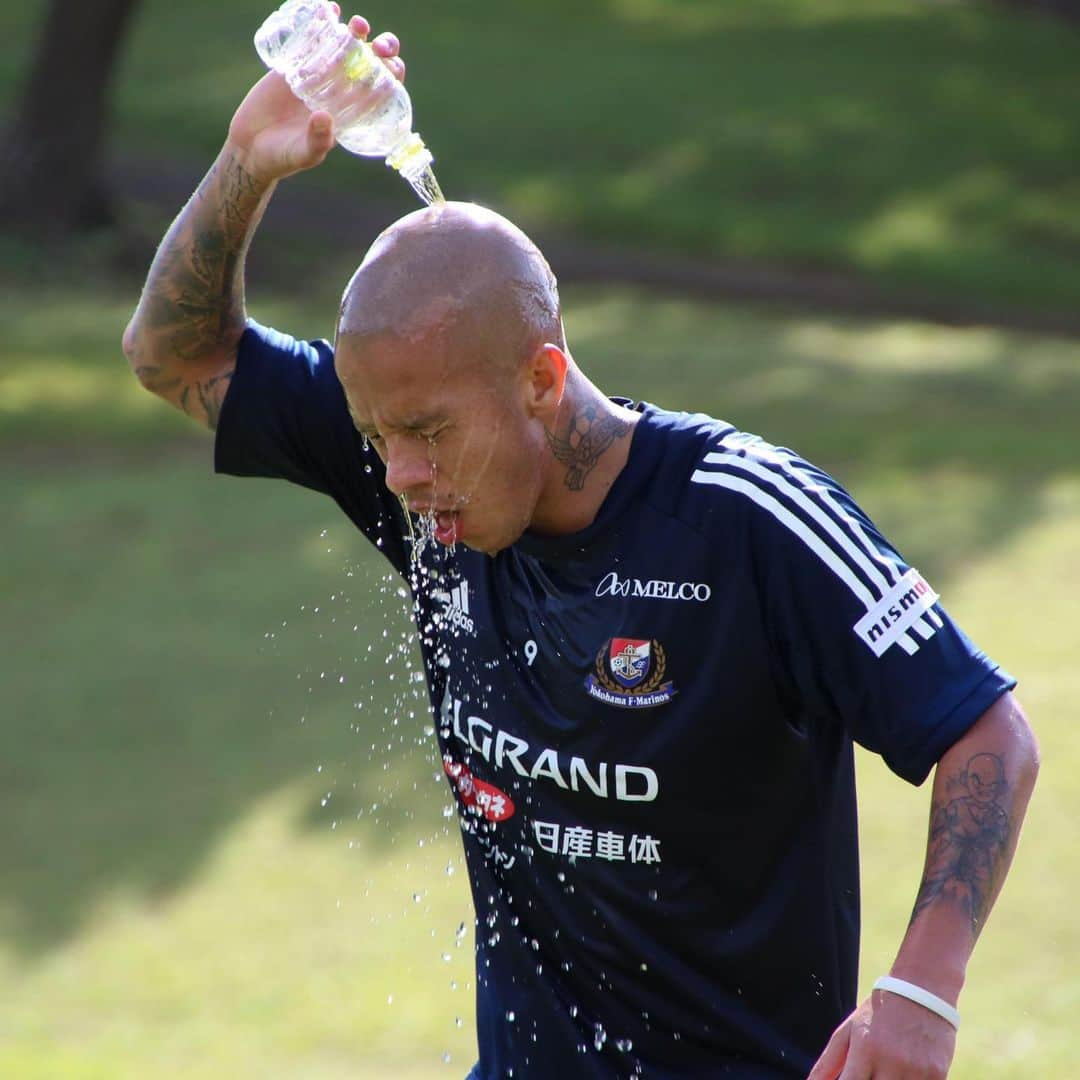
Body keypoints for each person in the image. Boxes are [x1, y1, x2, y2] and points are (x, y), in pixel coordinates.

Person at [122, 12, 1039, 1079]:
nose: (402, 478)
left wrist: (921, 993)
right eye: (375, 440)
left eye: (424, 436)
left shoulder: (747, 519)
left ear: (544, 380)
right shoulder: (425, 485)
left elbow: (987, 733)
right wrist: (245, 166)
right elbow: (172, 353)